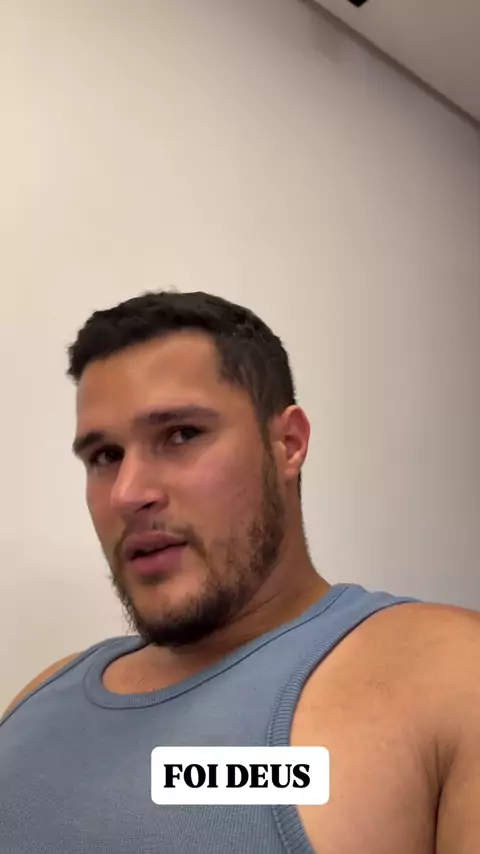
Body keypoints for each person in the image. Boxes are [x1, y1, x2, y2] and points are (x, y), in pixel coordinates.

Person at [1, 290, 479, 854]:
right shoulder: (37, 698)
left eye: (181, 435)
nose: (128, 493)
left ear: (288, 444)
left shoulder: (449, 676)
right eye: (105, 456)